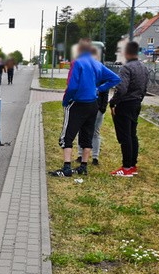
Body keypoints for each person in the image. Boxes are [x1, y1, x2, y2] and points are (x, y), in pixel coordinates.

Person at [49, 40, 120, 177]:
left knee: (67, 135)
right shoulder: (97, 64)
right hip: (93, 104)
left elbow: (72, 86)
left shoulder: (77, 63)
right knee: (87, 134)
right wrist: (100, 89)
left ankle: (67, 167)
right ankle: (83, 166)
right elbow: (115, 78)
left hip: (78, 103)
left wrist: (66, 100)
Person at [109, 41, 149, 177]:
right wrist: (138, 99)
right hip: (136, 103)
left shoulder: (126, 68)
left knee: (125, 136)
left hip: (125, 104)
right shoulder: (143, 68)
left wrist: (113, 102)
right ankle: (132, 165)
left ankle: (125, 167)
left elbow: (122, 89)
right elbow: (144, 88)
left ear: (126, 53)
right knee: (132, 134)